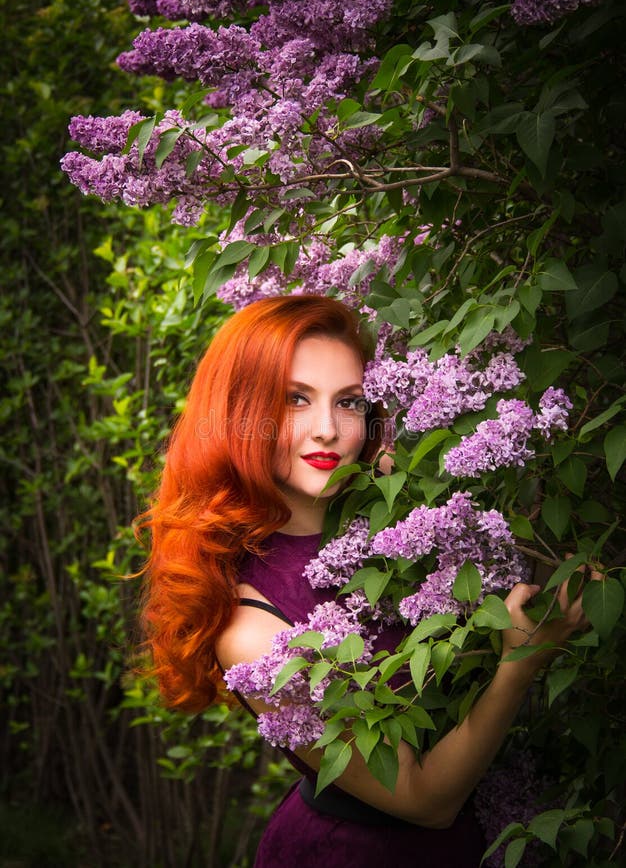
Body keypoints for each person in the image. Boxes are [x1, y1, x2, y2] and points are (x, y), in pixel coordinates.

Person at [139, 294, 595, 867]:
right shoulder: (250, 628)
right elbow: (424, 800)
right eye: (294, 400)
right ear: (238, 412)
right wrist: (520, 666)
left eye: (349, 402)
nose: (328, 429)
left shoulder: (394, 510)